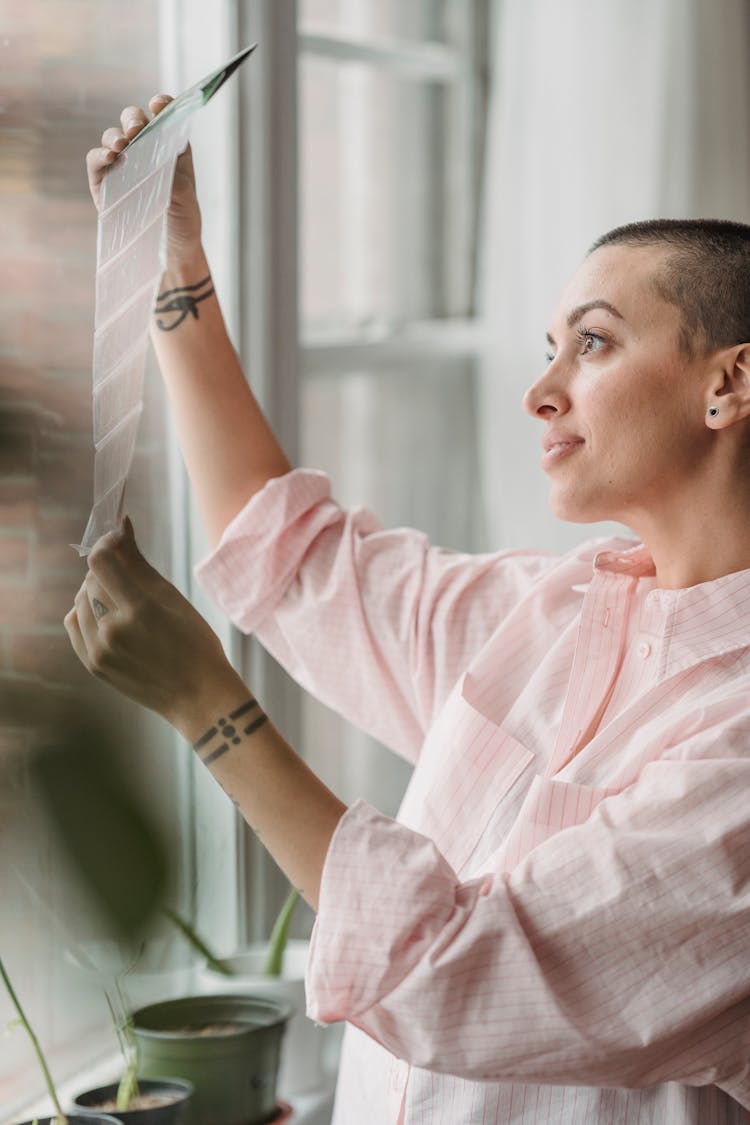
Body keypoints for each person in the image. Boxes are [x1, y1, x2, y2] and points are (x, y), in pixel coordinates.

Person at [65, 96, 750, 1124]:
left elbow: (457, 974)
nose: (542, 390)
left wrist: (211, 708)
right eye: (551, 346)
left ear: (728, 385)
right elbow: (293, 564)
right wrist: (176, 268)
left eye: (594, 346)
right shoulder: (547, 614)